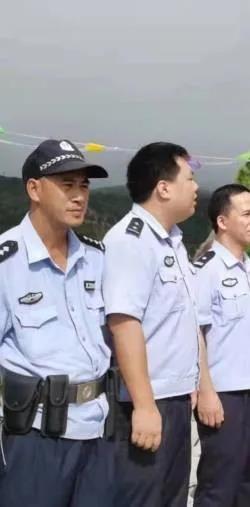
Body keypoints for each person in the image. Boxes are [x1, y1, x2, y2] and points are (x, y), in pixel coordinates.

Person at [103, 142, 220, 507]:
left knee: (171, 498)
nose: (197, 186)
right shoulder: (131, 241)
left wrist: (202, 385)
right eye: (190, 177)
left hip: (173, 400)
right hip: (145, 402)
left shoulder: (171, 242)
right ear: (163, 187)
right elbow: (124, 323)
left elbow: (188, 324)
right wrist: (144, 405)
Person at [0, 140, 113, 506]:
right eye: (67, 185)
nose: (79, 196)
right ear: (34, 188)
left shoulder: (96, 259)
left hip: (97, 432)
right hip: (33, 439)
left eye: (84, 185)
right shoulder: (7, 263)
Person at [192, 184, 250, 507]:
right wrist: (206, 390)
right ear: (222, 222)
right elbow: (195, 332)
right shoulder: (207, 270)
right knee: (219, 485)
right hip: (224, 395)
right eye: (247, 214)